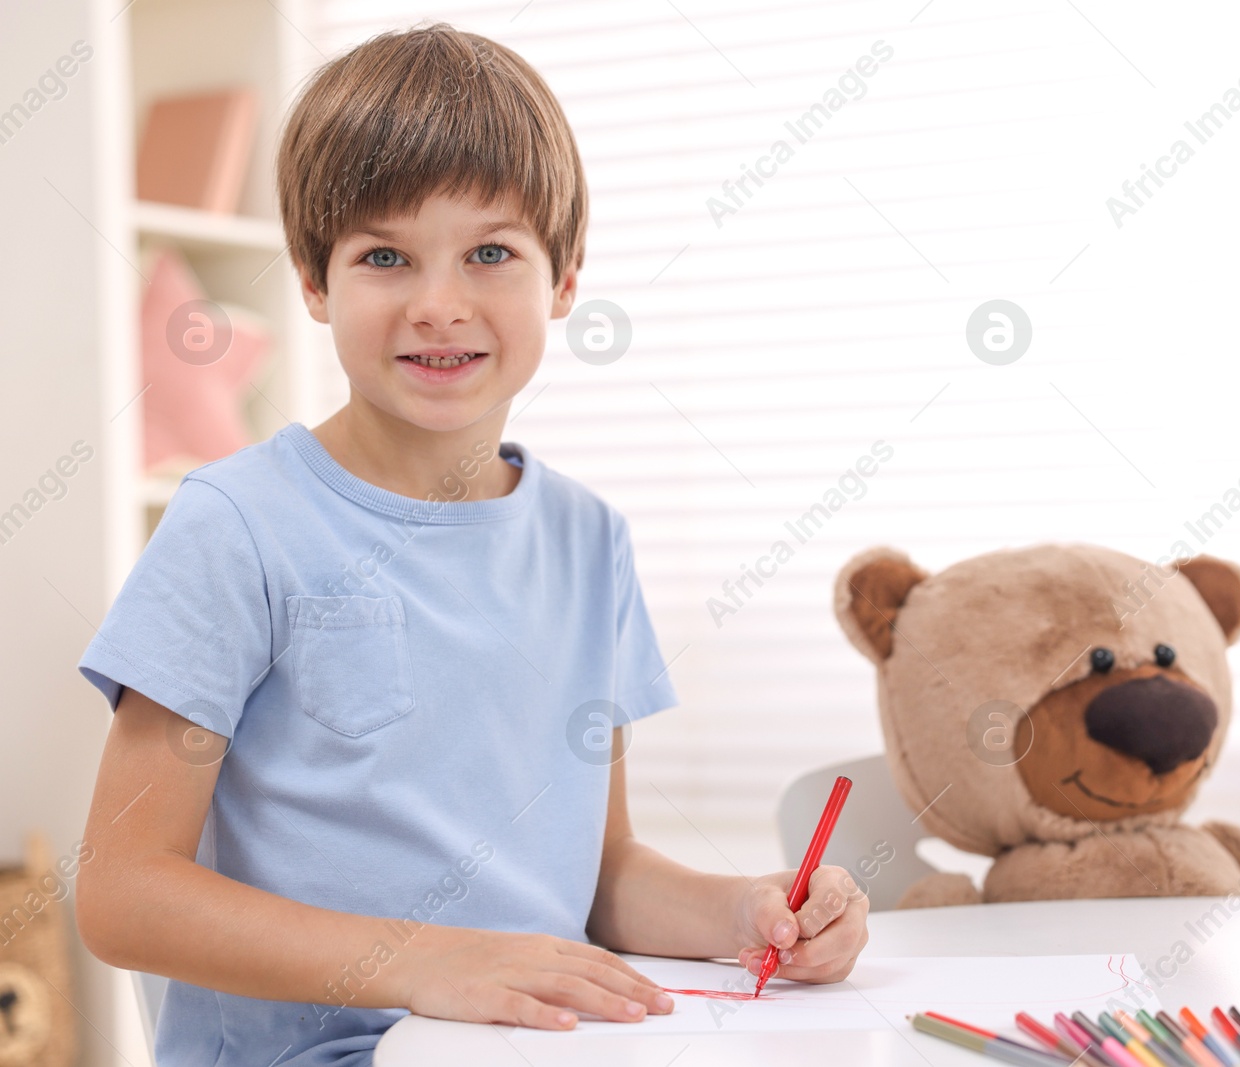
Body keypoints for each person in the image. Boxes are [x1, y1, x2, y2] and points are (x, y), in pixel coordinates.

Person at [74, 23, 868, 1066]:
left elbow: (600, 870)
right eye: (384, 255)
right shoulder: (237, 524)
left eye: (491, 252)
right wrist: (420, 958)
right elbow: (123, 893)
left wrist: (748, 912)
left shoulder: (588, 539)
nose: (438, 304)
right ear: (314, 282)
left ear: (565, 278)